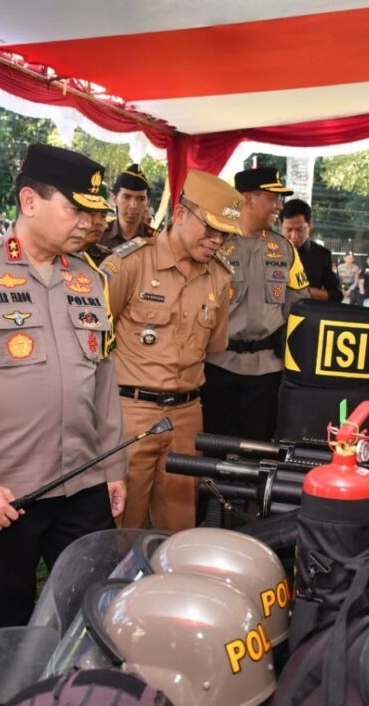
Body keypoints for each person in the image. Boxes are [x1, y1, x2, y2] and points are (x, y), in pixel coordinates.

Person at [0, 144, 126, 631]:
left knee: (86, 617)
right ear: (30, 201)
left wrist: (113, 466)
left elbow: (103, 379)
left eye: (94, 212)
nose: (88, 223)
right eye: (76, 209)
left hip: (83, 482)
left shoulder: (88, 279)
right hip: (4, 492)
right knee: (5, 622)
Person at [102, 171, 241, 532]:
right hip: (131, 413)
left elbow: (214, 346)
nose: (217, 240)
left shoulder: (220, 277)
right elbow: (93, 344)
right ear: (179, 214)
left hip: (187, 415)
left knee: (178, 529)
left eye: (224, 234)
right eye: (210, 228)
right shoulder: (129, 264)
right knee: (122, 525)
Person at [201, 167, 309, 441]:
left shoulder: (284, 249)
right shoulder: (214, 244)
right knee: (213, 446)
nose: (279, 206)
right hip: (218, 367)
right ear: (247, 198)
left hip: (267, 371)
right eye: (273, 198)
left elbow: (299, 308)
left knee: (257, 449)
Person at [280, 198, 342, 302]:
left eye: (299, 229)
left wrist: (304, 291)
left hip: (307, 311)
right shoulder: (268, 251)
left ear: (310, 224)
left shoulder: (322, 255)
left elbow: (337, 295)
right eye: (289, 229)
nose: (294, 236)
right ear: (280, 225)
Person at [101, 163, 156, 249]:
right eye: (127, 197)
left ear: (148, 203)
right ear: (114, 199)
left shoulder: (155, 240)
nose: (133, 205)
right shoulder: (100, 235)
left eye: (140, 199)